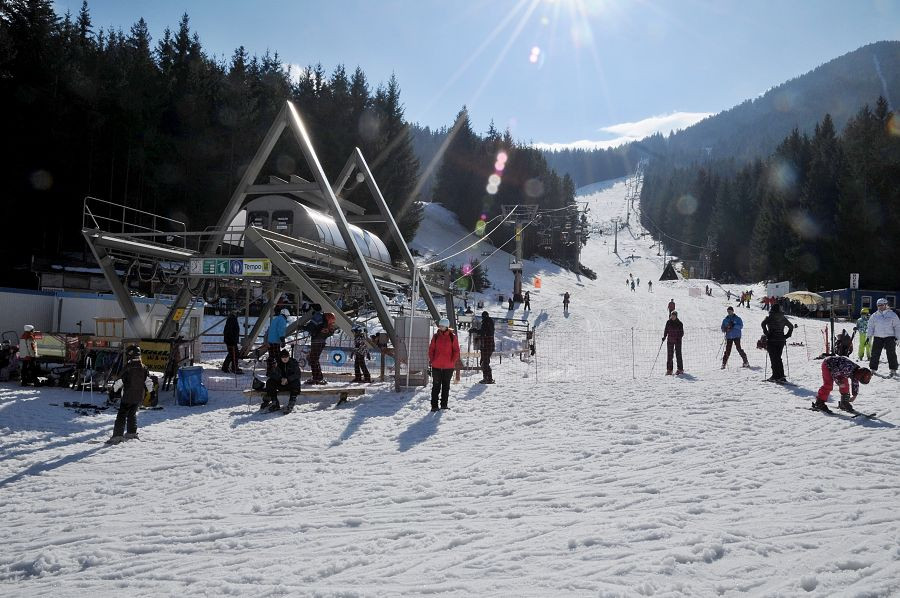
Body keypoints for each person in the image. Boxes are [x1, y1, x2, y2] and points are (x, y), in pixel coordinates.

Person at [106, 345, 153, 444]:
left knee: (121, 415)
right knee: (132, 414)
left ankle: (117, 436)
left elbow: (120, 381)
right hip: (138, 396)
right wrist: (152, 392)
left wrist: (113, 391)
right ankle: (131, 433)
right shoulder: (143, 367)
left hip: (127, 396)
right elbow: (148, 381)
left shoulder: (128, 367)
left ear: (130, 355)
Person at [428, 317, 459, 411]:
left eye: (442, 326)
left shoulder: (452, 337)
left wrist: (452, 361)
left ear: (446, 327)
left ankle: (444, 405)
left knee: (446, 386)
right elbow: (431, 349)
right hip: (436, 366)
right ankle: (434, 406)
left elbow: (456, 350)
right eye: (440, 325)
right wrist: (432, 360)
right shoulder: (435, 336)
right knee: (436, 386)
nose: (440, 327)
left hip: (448, 367)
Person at [262, 349, 302, 413]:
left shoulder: (293, 362)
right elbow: (270, 373)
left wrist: (288, 379)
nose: (285, 358)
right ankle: (275, 403)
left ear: (289, 356)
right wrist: (280, 378)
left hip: (289, 384)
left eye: (286, 357)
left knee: (296, 382)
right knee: (270, 382)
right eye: (283, 357)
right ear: (280, 357)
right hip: (280, 383)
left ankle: (291, 402)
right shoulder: (276, 363)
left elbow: (298, 374)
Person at [761, 303, 794, 382]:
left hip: (772, 340)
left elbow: (763, 324)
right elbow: (791, 326)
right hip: (781, 340)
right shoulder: (783, 318)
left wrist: (767, 334)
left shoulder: (769, 317)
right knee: (778, 358)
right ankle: (781, 375)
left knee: (774, 358)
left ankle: (775, 376)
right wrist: (786, 336)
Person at [867, 298, 900, 376]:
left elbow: (897, 327)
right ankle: (873, 369)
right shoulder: (874, 315)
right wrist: (869, 336)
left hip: (890, 337)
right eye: (878, 305)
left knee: (891, 353)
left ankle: (893, 369)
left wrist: (898, 337)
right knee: (875, 353)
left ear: (886, 305)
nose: (880, 307)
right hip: (878, 337)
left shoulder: (892, 315)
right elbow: (870, 327)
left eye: (882, 305)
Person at [303, 304, 328, 384]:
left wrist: (302, 327)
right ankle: (319, 377)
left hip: (316, 341)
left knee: (313, 360)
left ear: (314, 309)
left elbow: (310, 327)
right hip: (322, 341)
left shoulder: (317, 316)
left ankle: (315, 378)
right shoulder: (323, 316)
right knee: (315, 359)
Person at [662, 311, 684, 375]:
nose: (673, 317)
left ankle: (680, 369)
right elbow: (666, 330)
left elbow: (681, 333)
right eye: (672, 315)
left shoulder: (680, 323)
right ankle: (669, 370)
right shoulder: (668, 322)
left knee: (678, 355)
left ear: (676, 316)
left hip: (677, 341)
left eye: (674, 316)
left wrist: (678, 338)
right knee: (669, 355)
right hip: (670, 340)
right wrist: (664, 336)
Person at [477, 311, 495, 384]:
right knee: (485, 362)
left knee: (484, 362)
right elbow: (485, 332)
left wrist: (475, 330)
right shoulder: (490, 322)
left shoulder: (486, 322)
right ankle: (488, 378)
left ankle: (487, 379)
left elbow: (483, 332)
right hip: (489, 345)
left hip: (486, 345)